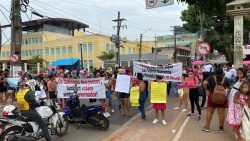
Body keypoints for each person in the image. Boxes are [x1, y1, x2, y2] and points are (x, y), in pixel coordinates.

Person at [202, 67, 231, 132]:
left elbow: (204, 83)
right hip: (223, 98)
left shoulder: (211, 77)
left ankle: (207, 127)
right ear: (222, 72)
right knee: (221, 113)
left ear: (215, 72)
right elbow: (230, 87)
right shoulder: (225, 79)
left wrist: (206, 90)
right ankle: (221, 128)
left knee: (209, 112)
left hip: (212, 96)